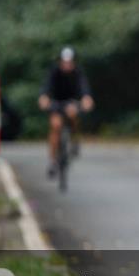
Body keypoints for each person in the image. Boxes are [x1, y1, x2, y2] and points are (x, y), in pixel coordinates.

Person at [38, 47, 94, 178]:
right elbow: (46, 88)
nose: (67, 65)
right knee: (55, 127)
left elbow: (84, 89)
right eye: (65, 62)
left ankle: (74, 139)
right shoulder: (54, 72)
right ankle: (53, 161)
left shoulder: (78, 73)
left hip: (72, 102)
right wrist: (44, 98)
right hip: (57, 103)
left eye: (70, 62)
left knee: (73, 114)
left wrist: (87, 99)